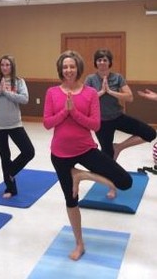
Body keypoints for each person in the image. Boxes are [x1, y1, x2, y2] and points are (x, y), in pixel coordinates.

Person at [43, 50, 132, 261]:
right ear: (60, 69)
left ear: (79, 68)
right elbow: (47, 123)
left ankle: (81, 175)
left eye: (72, 66)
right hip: (60, 154)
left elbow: (95, 124)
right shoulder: (52, 92)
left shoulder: (90, 93)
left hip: (86, 149)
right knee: (71, 201)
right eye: (65, 67)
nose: (68, 70)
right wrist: (65, 111)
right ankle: (79, 243)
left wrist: (74, 112)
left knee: (125, 181)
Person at [85, 48, 156, 160]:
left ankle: (118, 147)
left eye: (105, 60)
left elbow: (130, 97)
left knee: (150, 133)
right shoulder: (90, 79)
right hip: (101, 121)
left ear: (109, 62)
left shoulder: (117, 77)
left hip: (118, 117)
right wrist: (102, 92)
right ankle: (111, 175)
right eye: (99, 60)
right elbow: (85, 100)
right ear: (95, 62)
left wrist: (111, 92)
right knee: (108, 156)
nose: (102, 62)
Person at [0, 55, 34, 198]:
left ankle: (10, 171)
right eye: (2, 65)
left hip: (15, 124)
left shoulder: (19, 81)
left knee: (29, 151)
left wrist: (8, 93)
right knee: (5, 156)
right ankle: (10, 188)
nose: (4, 67)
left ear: (12, 66)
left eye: (7, 65)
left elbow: (25, 99)